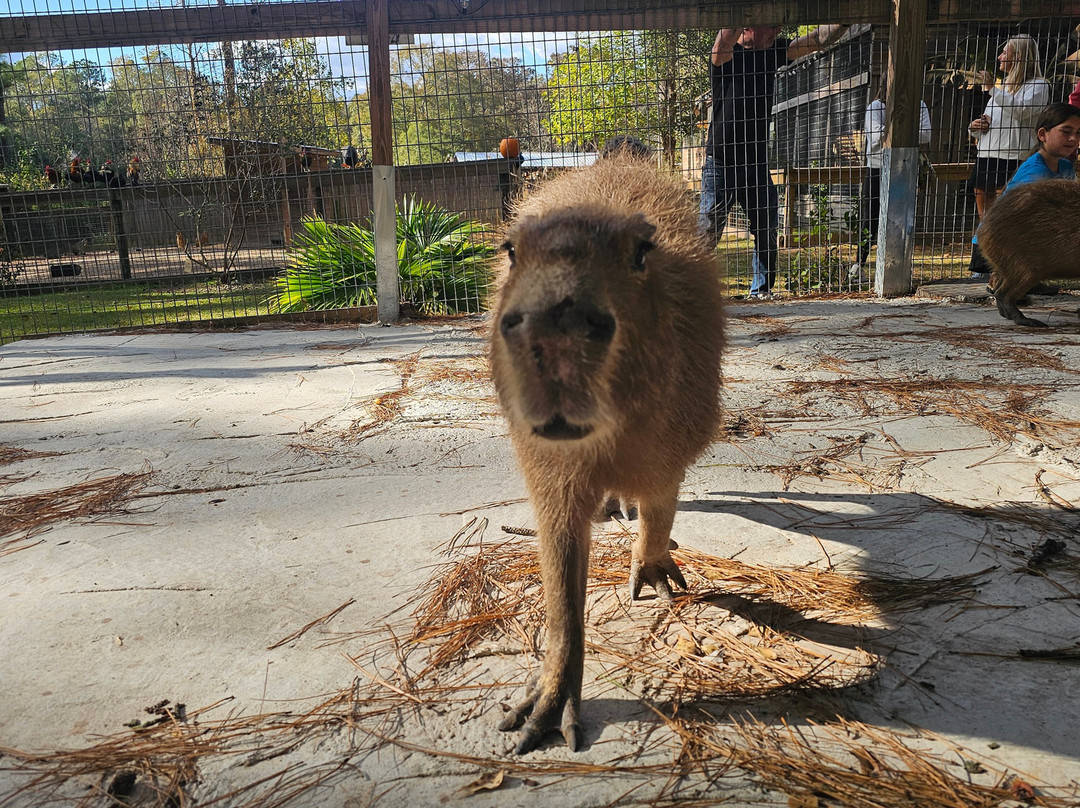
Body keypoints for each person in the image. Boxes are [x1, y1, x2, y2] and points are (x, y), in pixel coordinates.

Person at [699, 23, 848, 299]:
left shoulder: (774, 51)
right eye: (770, 24)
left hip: (755, 163)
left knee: (767, 228)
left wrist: (847, 18)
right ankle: (691, 292)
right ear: (748, 27)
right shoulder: (728, 54)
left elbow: (816, 39)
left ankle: (762, 291)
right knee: (707, 231)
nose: (778, 29)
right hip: (721, 162)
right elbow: (720, 47)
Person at [966, 34, 1050, 279]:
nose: (1000, 57)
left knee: (1005, 218)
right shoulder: (1001, 91)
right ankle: (982, 268)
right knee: (986, 218)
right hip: (987, 156)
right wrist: (975, 127)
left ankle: (1007, 269)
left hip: (1013, 158)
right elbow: (990, 125)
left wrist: (993, 90)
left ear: (1019, 57)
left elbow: (1022, 112)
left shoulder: (1038, 85)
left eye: (1005, 53)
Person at [975, 101, 1080, 292]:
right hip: (1000, 245)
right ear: (1043, 134)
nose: (1073, 139)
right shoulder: (1034, 171)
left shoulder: (1064, 165)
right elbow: (1013, 219)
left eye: (1078, 133)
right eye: (1066, 131)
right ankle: (1002, 281)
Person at [850, 71, 932, 284]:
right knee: (870, 217)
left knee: (900, 219)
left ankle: (896, 266)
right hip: (877, 167)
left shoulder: (920, 104)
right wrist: (905, 128)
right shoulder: (876, 107)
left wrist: (892, 129)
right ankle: (858, 264)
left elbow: (926, 134)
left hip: (903, 168)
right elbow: (875, 137)